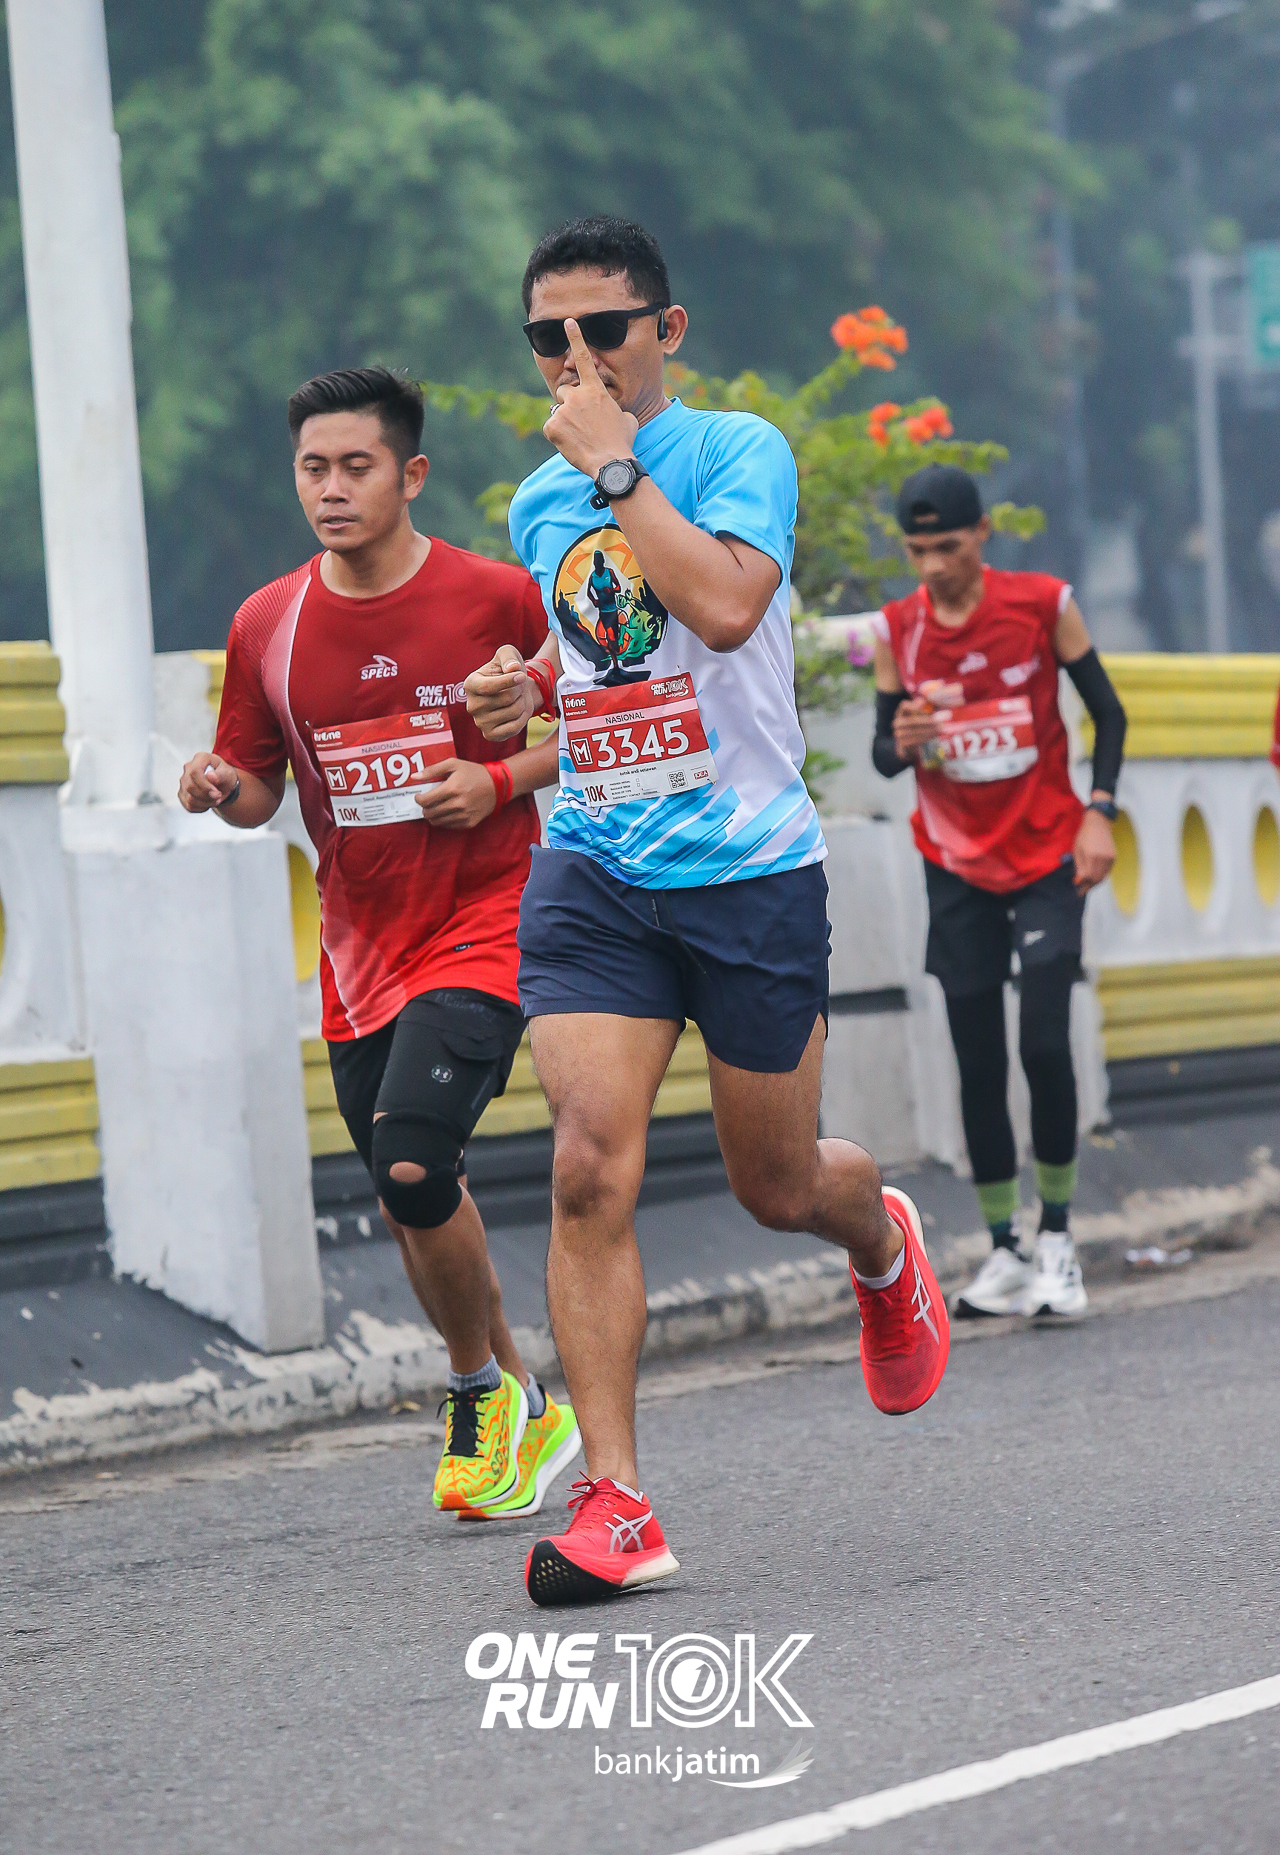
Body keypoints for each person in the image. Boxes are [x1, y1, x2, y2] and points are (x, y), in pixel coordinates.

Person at [466, 216, 950, 1608]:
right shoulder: (539, 500)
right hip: (597, 869)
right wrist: (523, 694)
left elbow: (728, 610)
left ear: (664, 331)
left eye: (600, 329)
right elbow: (601, 662)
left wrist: (614, 467)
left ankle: (878, 1239)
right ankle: (616, 1503)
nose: (575, 358)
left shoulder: (736, 451)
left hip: (744, 871)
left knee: (774, 1185)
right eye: (547, 338)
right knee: (585, 1166)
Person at [177, 365, 579, 1520]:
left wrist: (498, 779)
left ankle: (472, 1393)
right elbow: (261, 788)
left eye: (356, 466)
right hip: (360, 954)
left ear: (411, 475)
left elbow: (604, 721)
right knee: (416, 1196)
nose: (331, 489)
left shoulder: (498, 596)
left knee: (410, 1157)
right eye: (313, 468)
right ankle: (523, 1403)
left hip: (488, 920)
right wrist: (220, 790)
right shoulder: (268, 623)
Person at [870, 465, 1128, 1323]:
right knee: (976, 1059)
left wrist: (1100, 813)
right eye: (917, 550)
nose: (934, 566)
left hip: (1050, 852)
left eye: (948, 546)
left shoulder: (1044, 604)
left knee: (1044, 1044)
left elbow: (1109, 714)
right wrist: (905, 737)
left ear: (983, 534)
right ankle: (1004, 1250)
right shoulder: (898, 629)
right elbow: (883, 754)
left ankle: (1056, 1238)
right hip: (955, 864)